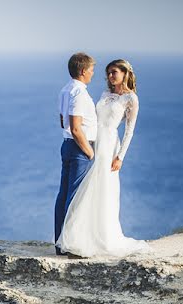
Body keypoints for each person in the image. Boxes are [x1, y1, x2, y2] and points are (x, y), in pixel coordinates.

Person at [56, 59, 150, 258]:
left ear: (125, 73)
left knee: (104, 191)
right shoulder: (105, 94)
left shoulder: (131, 99)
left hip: (108, 145)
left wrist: (120, 157)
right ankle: (81, 237)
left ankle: (101, 237)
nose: (110, 76)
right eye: (108, 73)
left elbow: (129, 131)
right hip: (93, 143)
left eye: (114, 72)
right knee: (87, 190)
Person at [54, 53, 97, 255]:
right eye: (91, 70)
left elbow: (62, 121)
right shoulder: (79, 92)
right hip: (80, 147)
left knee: (64, 195)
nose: (92, 73)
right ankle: (71, 245)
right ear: (82, 71)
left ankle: (60, 243)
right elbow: (75, 127)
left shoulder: (65, 90)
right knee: (76, 197)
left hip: (67, 145)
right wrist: (89, 152)